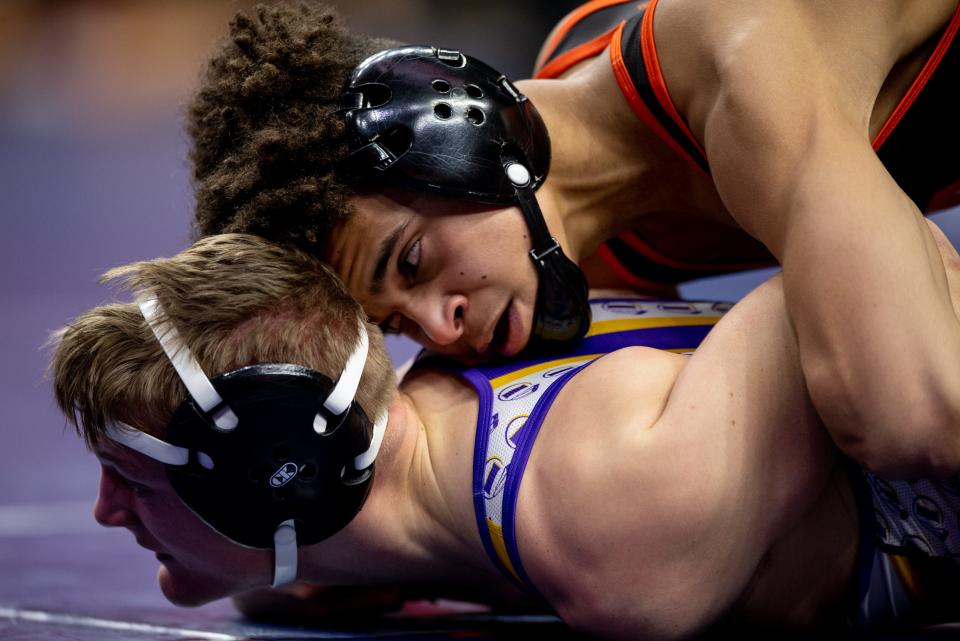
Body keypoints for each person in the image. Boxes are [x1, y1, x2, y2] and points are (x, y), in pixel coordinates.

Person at [51, 232, 960, 640]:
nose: (104, 509)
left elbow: (870, 263)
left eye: (134, 477)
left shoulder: (608, 517)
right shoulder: (472, 368)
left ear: (275, 475)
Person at [186, 1, 960, 480]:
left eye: (412, 263)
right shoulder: (572, 243)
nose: (438, 328)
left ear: (458, 128)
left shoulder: (739, 51)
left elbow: (913, 413)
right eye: (396, 326)